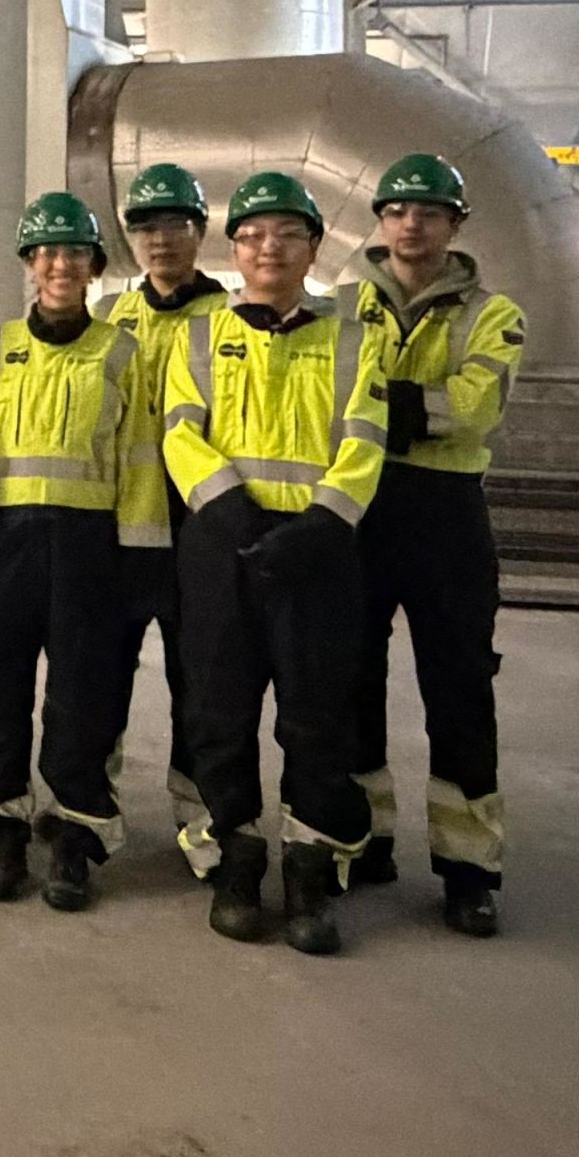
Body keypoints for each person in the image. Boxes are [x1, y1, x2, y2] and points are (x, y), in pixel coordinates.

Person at [161, 169, 398, 954]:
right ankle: (235, 855)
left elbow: (366, 440)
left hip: (319, 553)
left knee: (317, 713)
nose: (270, 247)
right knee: (218, 708)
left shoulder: (355, 340)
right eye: (254, 235)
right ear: (235, 249)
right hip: (222, 546)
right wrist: (229, 507)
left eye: (288, 234)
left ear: (314, 247)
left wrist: (323, 523)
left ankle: (309, 865)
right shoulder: (199, 336)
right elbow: (180, 431)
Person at [0, 194, 166, 913]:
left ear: (94, 266)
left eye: (74, 253)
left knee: (81, 698)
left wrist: (139, 555)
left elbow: (140, 457)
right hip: (2, 544)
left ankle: (76, 834)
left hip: (87, 548)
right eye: (46, 252)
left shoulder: (121, 353)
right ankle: (2, 826)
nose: (59, 265)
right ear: (28, 262)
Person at [348, 152, 526, 937]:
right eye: (397, 210)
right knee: (349, 681)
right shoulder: (343, 305)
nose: (411, 223)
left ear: (455, 224)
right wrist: (414, 406)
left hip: (446, 516)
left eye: (428, 211)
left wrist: (369, 406)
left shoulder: (494, 314)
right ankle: (362, 840)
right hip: (357, 506)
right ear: (380, 222)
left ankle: (468, 871)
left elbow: (474, 409)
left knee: (459, 692)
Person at [98, 159, 226, 824]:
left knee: (200, 684)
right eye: (145, 226)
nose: (159, 239)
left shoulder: (231, 321)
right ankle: (89, 809)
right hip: (120, 530)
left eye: (174, 223)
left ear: (200, 231)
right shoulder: (108, 316)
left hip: (200, 531)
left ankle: (198, 820)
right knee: (99, 678)